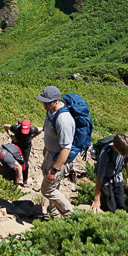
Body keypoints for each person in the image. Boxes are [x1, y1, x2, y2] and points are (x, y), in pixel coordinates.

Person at [37, 85, 74, 218]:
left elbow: (66, 148)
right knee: (53, 185)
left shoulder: (64, 120)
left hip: (58, 158)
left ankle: (71, 214)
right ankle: (54, 214)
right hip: (50, 154)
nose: (44, 104)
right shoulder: (51, 112)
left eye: (47, 102)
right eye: (43, 101)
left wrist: (55, 169)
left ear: (56, 101)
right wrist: (47, 147)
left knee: (47, 189)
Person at [91, 134, 128, 213]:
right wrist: (96, 199)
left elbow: (127, 160)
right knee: (111, 207)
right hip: (105, 180)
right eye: (121, 153)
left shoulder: (127, 148)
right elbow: (100, 177)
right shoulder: (105, 154)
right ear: (114, 147)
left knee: (121, 205)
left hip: (117, 177)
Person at [4, 118, 41, 185]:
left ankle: (25, 180)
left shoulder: (32, 129)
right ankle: (13, 178)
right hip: (16, 145)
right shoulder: (16, 128)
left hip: (26, 146)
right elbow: (5, 126)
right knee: (14, 161)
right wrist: (11, 136)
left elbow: (41, 129)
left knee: (25, 163)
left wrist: (32, 137)